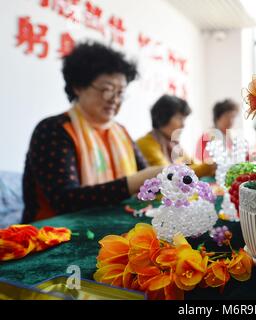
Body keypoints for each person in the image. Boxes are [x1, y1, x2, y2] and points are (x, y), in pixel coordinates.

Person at [22, 42, 163, 223]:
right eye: (106, 90)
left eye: (120, 92)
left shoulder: (120, 132)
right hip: (52, 237)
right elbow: (65, 200)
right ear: (78, 86)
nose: (115, 99)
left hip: (111, 226)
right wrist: (133, 183)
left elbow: (146, 177)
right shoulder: (54, 129)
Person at [137, 95, 215, 177]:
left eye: (184, 119)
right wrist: (209, 167)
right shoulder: (146, 144)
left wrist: (210, 165)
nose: (183, 125)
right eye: (179, 118)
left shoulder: (173, 144)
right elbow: (169, 175)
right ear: (163, 117)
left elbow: (191, 165)